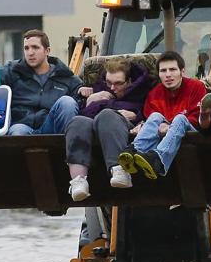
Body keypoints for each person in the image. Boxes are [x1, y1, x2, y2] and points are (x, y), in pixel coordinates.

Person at [63, 59, 153, 201]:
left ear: (129, 81)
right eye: (109, 82)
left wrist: (137, 115)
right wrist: (89, 100)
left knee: (107, 115)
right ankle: (78, 180)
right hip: (94, 128)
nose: (112, 88)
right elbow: (82, 111)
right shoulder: (100, 89)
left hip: (125, 129)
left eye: (118, 83)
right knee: (77, 121)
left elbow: (150, 113)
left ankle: (120, 169)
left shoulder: (142, 92)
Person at [0, 29, 82, 136]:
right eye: (26, 48)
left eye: (35, 47)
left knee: (67, 102)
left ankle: (67, 151)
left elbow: (82, 98)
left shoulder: (65, 76)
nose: (30, 53)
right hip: (21, 126)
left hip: (52, 127)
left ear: (47, 51)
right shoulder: (13, 70)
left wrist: (83, 92)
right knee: (18, 130)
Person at [118, 50, 207, 180]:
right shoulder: (154, 94)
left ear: (182, 71)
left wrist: (168, 125)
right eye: (163, 71)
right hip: (163, 133)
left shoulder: (196, 87)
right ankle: (133, 151)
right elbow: (150, 119)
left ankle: (158, 159)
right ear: (159, 74)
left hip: (192, 132)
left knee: (180, 119)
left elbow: (197, 118)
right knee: (155, 116)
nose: (168, 75)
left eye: (172, 70)